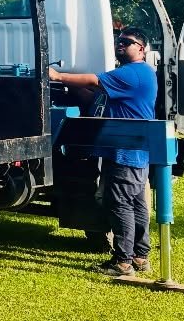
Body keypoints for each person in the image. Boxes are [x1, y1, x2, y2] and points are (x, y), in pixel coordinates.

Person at [48, 26, 158, 276]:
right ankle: (141, 257)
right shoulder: (135, 75)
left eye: (127, 42)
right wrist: (74, 88)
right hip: (135, 150)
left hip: (124, 152)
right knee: (137, 204)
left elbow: (95, 81)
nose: (121, 45)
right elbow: (94, 97)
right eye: (119, 41)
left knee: (120, 204)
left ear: (141, 49)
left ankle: (123, 262)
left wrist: (57, 76)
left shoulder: (133, 73)